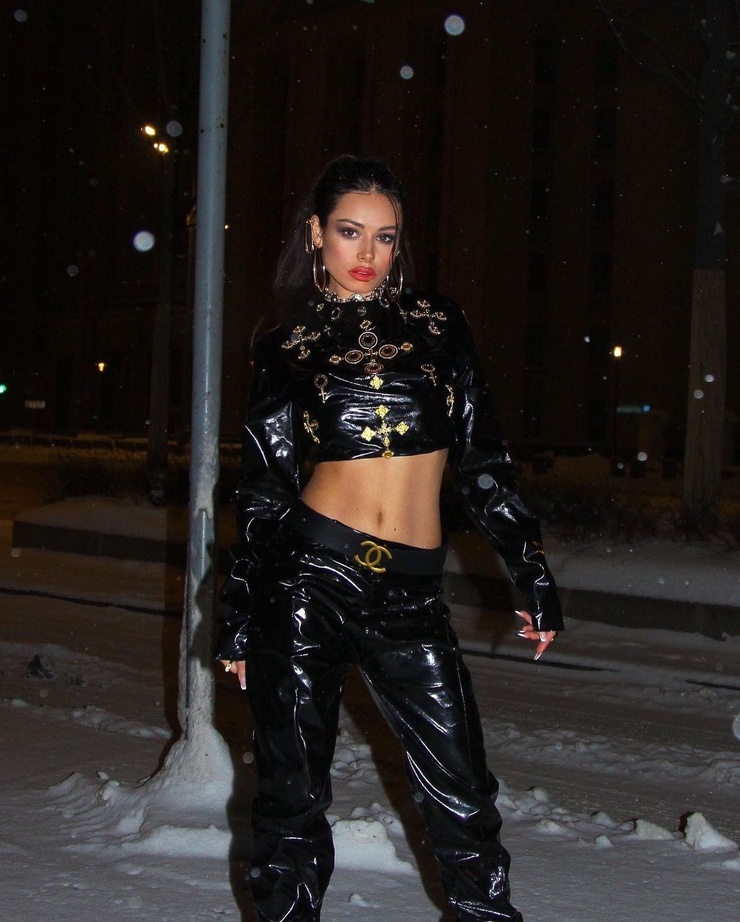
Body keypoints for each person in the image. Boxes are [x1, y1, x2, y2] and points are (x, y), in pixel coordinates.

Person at [216, 154, 563, 922]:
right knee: (291, 799)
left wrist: (529, 567)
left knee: (463, 793)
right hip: (308, 579)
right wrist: (239, 616)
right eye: (350, 232)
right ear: (317, 234)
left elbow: (482, 462)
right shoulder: (288, 342)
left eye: (385, 236)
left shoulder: (439, 326)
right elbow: (265, 487)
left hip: (410, 594)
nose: (368, 253)